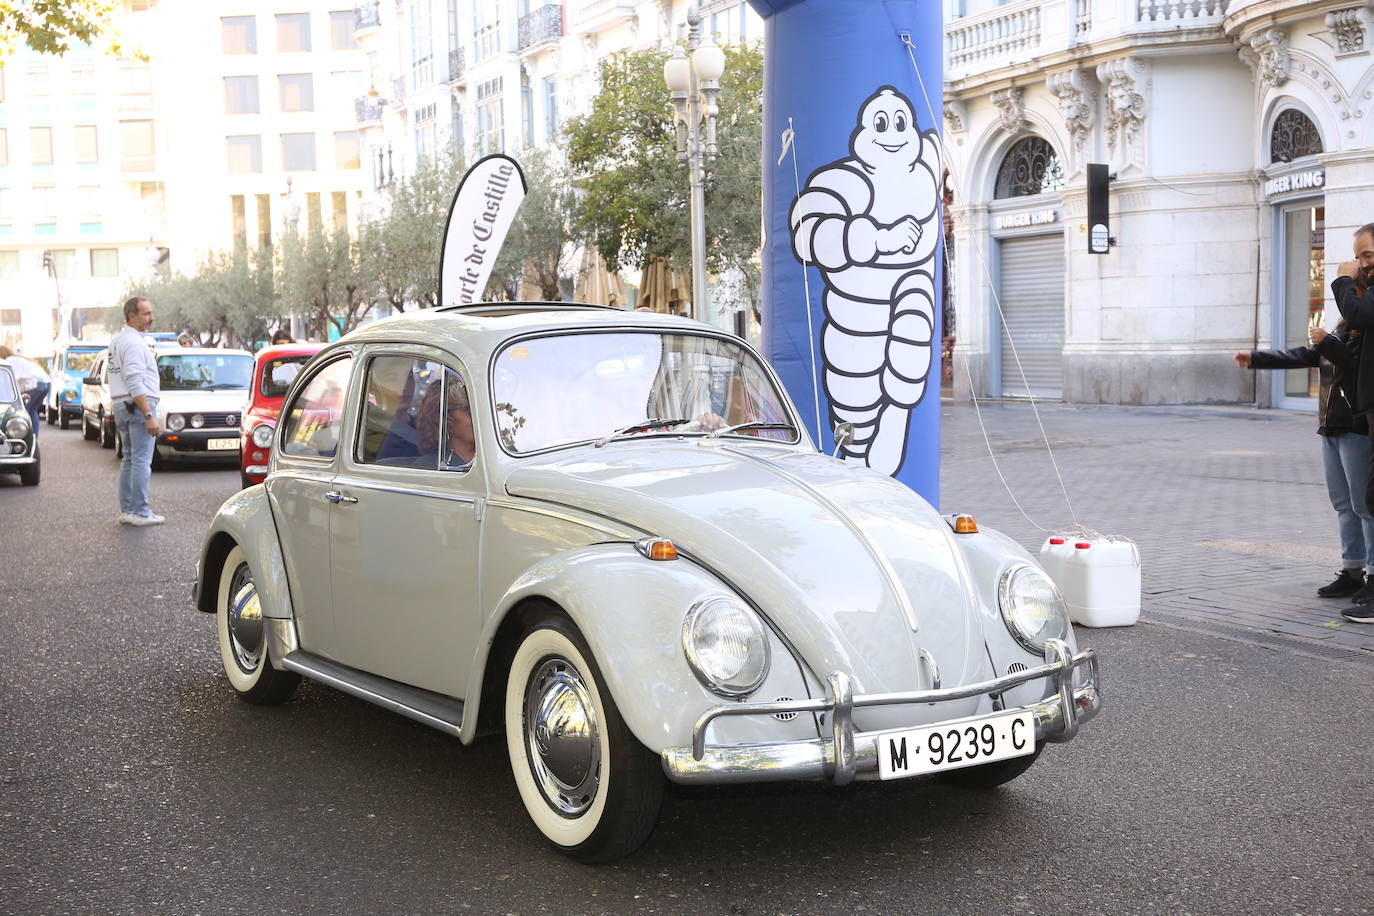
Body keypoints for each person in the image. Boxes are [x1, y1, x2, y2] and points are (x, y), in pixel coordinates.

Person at [1235, 321, 1371, 602]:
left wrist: (1326, 341)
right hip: (1330, 426)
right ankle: (1352, 570)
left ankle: (1372, 575)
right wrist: (1257, 357)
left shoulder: (1366, 328)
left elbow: (1357, 368)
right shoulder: (1343, 327)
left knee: (1365, 506)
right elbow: (1308, 356)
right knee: (1344, 505)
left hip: (1357, 429)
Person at [1329, 222, 1374, 622]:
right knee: (1352, 502)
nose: (1363, 264)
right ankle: (1356, 571)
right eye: (1359, 257)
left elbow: (1358, 311)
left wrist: (1343, 280)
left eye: (1368, 255)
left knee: (1367, 503)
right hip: (1353, 415)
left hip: (1359, 419)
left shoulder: (1362, 302)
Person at [108, 297, 164, 526]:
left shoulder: (118, 340)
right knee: (140, 461)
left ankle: (128, 510)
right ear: (131, 315)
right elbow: (134, 379)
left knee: (130, 459)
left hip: (122, 404)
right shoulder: (133, 343)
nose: (151, 318)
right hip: (138, 405)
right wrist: (148, 414)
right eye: (146, 313)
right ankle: (140, 512)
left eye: (151, 313)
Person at [0, 345, 50, 437]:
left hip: (36, 384)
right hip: (45, 383)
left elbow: (13, 380)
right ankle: (34, 437)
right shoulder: (19, 358)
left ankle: (27, 436)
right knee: (32, 411)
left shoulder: (10, 360)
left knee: (23, 412)